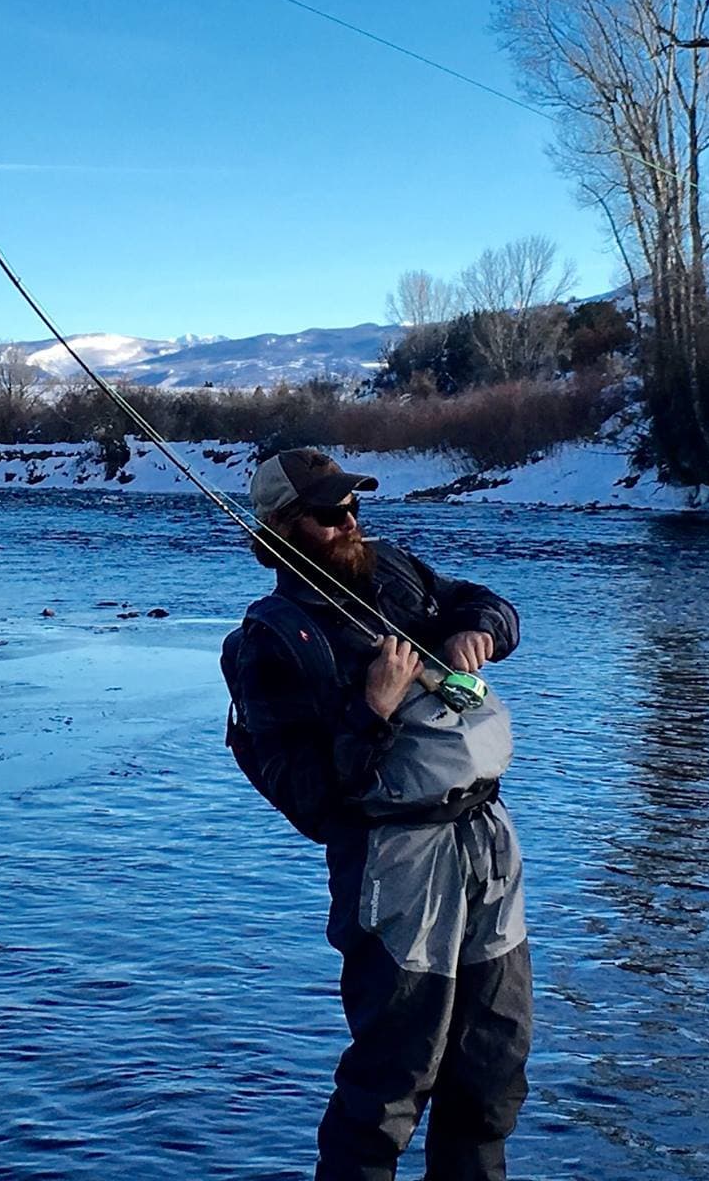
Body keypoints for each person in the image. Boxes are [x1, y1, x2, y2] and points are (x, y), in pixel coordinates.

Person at [220, 448, 532, 1181]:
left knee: (493, 1063)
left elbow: (491, 603)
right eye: (329, 513)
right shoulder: (267, 643)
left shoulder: (393, 567)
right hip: (396, 864)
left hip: (486, 840)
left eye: (353, 505)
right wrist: (372, 709)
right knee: (392, 1078)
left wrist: (478, 630)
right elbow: (310, 799)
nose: (350, 520)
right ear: (280, 531)